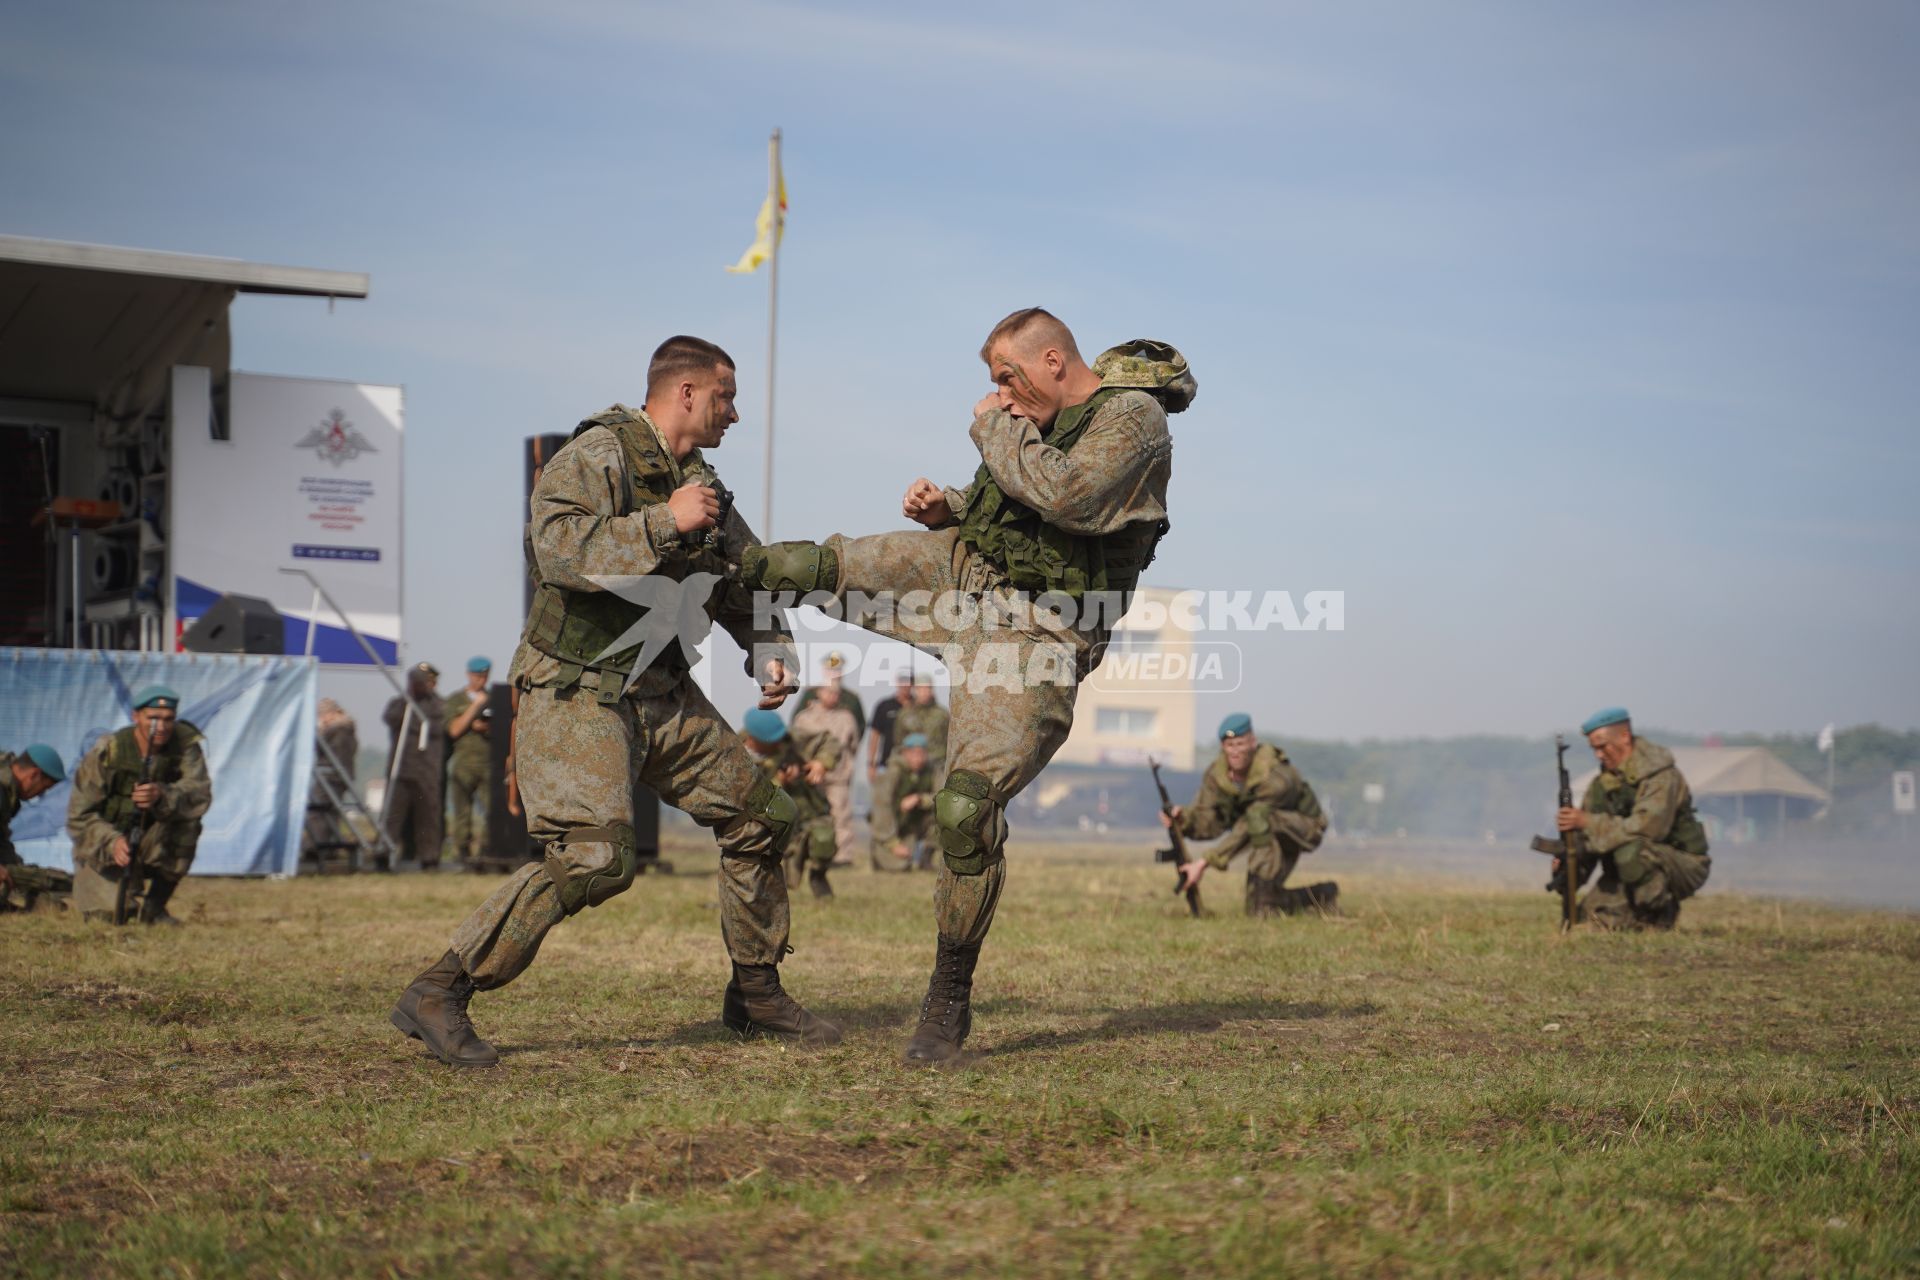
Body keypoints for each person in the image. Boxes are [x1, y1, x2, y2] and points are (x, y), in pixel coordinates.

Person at [739, 310, 1192, 1062]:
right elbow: (1015, 500)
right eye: (995, 390)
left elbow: (1073, 497)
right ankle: (678, 575)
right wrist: (953, 505)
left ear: (1053, 361)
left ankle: (949, 993)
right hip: (964, 573)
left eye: (1008, 380)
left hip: (1039, 632)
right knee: (794, 565)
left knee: (964, 808)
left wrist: (989, 430)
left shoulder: (1133, 419)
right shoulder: (1032, 419)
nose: (1002, 399)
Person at [389, 334, 837, 1068]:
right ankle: (440, 990)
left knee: (762, 813)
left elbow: (736, 576)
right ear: (686, 393)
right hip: (577, 688)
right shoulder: (597, 454)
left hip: (658, 688)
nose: (734, 411)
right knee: (598, 859)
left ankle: (755, 993)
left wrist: (769, 646)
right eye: (725, 394)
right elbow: (557, 552)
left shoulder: (702, 483)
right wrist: (666, 522)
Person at [1553, 707, 1711, 930]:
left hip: (1679, 863)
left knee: (1633, 851)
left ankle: (1658, 916)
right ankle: (1634, 916)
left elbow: (1647, 829)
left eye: (1602, 746)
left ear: (1625, 736)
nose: (1598, 754)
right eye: (1594, 749)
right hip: (1626, 868)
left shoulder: (1661, 776)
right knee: (1589, 924)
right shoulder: (1601, 785)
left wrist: (1587, 822)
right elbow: (1587, 837)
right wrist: (1569, 861)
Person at [65, 686, 212, 925]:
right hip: (106, 846)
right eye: (153, 718)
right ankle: (126, 899)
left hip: (154, 841)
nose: (161, 727)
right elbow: (78, 817)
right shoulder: (108, 752)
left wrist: (162, 796)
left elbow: (199, 795)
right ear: (136, 717)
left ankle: (154, 908)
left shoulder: (184, 746)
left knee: (189, 822)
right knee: (110, 917)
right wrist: (111, 842)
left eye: (168, 719)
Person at [1165, 714, 1334, 916]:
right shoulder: (1217, 776)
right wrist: (1183, 819)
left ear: (1252, 742)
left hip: (1303, 829)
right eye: (1229, 745)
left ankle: (1276, 901)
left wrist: (1203, 863)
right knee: (1258, 908)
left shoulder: (1275, 777)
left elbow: (1249, 823)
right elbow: (1209, 821)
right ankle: (1322, 896)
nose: (1235, 751)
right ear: (1223, 747)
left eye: (1240, 744)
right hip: (1265, 835)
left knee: (1258, 818)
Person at [740, 708, 841, 898]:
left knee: (824, 838)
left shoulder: (791, 738)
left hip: (806, 809)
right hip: (765, 819)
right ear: (754, 740)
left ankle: (818, 876)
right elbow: (745, 796)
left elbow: (829, 742)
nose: (779, 744)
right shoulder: (736, 754)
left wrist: (821, 763)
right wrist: (779, 782)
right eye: (773, 741)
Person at [790, 656, 863, 867]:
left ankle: (842, 857)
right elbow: (795, 741)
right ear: (818, 692)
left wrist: (848, 765)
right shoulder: (804, 716)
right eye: (828, 691)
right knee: (807, 813)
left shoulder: (848, 714)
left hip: (838, 774)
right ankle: (805, 853)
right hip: (810, 775)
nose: (832, 695)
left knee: (841, 814)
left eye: (835, 692)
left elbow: (855, 742)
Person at [382, 662, 446, 870]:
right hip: (400, 770)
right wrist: (408, 699)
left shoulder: (438, 705)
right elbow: (390, 718)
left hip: (426, 770)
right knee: (392, 815)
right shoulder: (400, 704)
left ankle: (429, 857)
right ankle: (383, 852)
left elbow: (437, 725)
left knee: (428, 816)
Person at [1, 744, 71, 911]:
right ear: (34, 774)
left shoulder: (7, 788)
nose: (40, 794)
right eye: (44, 787)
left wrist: (20, 872)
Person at [443, 657, 495, 863]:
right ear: (468, 675)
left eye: (484, 676)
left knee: (492, 813)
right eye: (477, 676)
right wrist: (476, 708)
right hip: (463, 765)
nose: (481, 680)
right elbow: (454, 730)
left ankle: (486, 854)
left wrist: (488, 728)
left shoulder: (494, 698)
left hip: (488, 764)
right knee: (462, 813)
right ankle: (461, 854)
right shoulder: (456, 700)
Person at [303, 697, 359, 868]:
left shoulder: (338, 730)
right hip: (338, 775)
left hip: (331, 775)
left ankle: (316, 845)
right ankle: (328, 845)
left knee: (318, 811)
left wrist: (321, 733)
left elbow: (330, 753)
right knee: (330, 813)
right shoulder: (346, 729)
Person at [871, 733, 939, 872]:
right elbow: (881, 808)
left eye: (922, 753)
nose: (918, 758)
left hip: (914, 824)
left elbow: (943, 796)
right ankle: (879, 851)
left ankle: (927, 857)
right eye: (914, 753)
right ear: (904, 753)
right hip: (891, 827)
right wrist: (892, 843)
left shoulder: (932, 770)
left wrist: (920, 799)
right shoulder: (892, 772)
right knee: (899, 866)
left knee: (943, 815)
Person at [892, 674, 950, 779]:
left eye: (927, 688)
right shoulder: (905, 714)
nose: (924, 692)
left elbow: (949, 742)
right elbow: (898, 741)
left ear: (932, 690)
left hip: (937, 766)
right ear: (915, 690)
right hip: (909, 768)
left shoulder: (943, 715)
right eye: (920, 688)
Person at [866, 670, 914, 785]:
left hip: (913, 767)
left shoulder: (918, 707)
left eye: (908, 681)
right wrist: (871, 764)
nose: (905, 685)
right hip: (886, 765)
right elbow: (874, 736)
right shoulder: (884, 706)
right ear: (897, 682)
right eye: (902, 681)